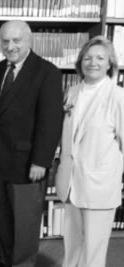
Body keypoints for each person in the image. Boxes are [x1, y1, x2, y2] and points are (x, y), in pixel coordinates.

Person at [0, 20, 63, 267]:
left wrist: (41, 160)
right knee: (2, 219)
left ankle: (23, 264)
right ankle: (4, 260)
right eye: (5, 41)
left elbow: (50, 121)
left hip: (27, 162)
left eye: (17, 40)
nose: (10, 46)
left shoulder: (47, 72)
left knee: (25, 223)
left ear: (29, 41)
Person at [55, 36, 124, 267]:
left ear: (110, 64)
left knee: (94, 249)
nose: (92, 62)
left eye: (100, 58)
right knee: (72, 244)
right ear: (80, 62)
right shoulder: (72, 93)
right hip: (71, 181)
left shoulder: (118, 97)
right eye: (87, 57)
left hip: (99, 184)